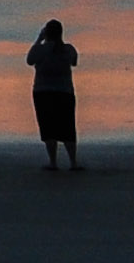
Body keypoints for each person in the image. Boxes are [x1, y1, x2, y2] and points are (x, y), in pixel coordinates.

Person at [27, 20, 80, 170]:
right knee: (68, 127)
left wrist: (39, 39)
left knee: (48, 127)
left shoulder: (41, 49)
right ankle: (73, 162)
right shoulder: (69, 49)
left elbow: (29, 60)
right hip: (64, 91)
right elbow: (74, 62)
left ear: (47, 33)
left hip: (43, 91)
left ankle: (53, 162)